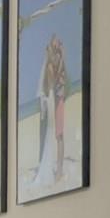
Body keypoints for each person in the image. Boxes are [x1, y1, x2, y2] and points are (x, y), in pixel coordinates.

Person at [37, 30, 70, 188]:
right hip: (55, 100)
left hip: (58, 99)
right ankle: (58, 169)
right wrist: (60, 55)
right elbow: (55, 77)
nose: (58, 43)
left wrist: (62, 56)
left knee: (59, 134)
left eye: (57, 42)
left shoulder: (57, 62)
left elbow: (60, 77)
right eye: (55, 42)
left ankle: (60, 168)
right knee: (57, 135)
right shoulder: (53, 64)